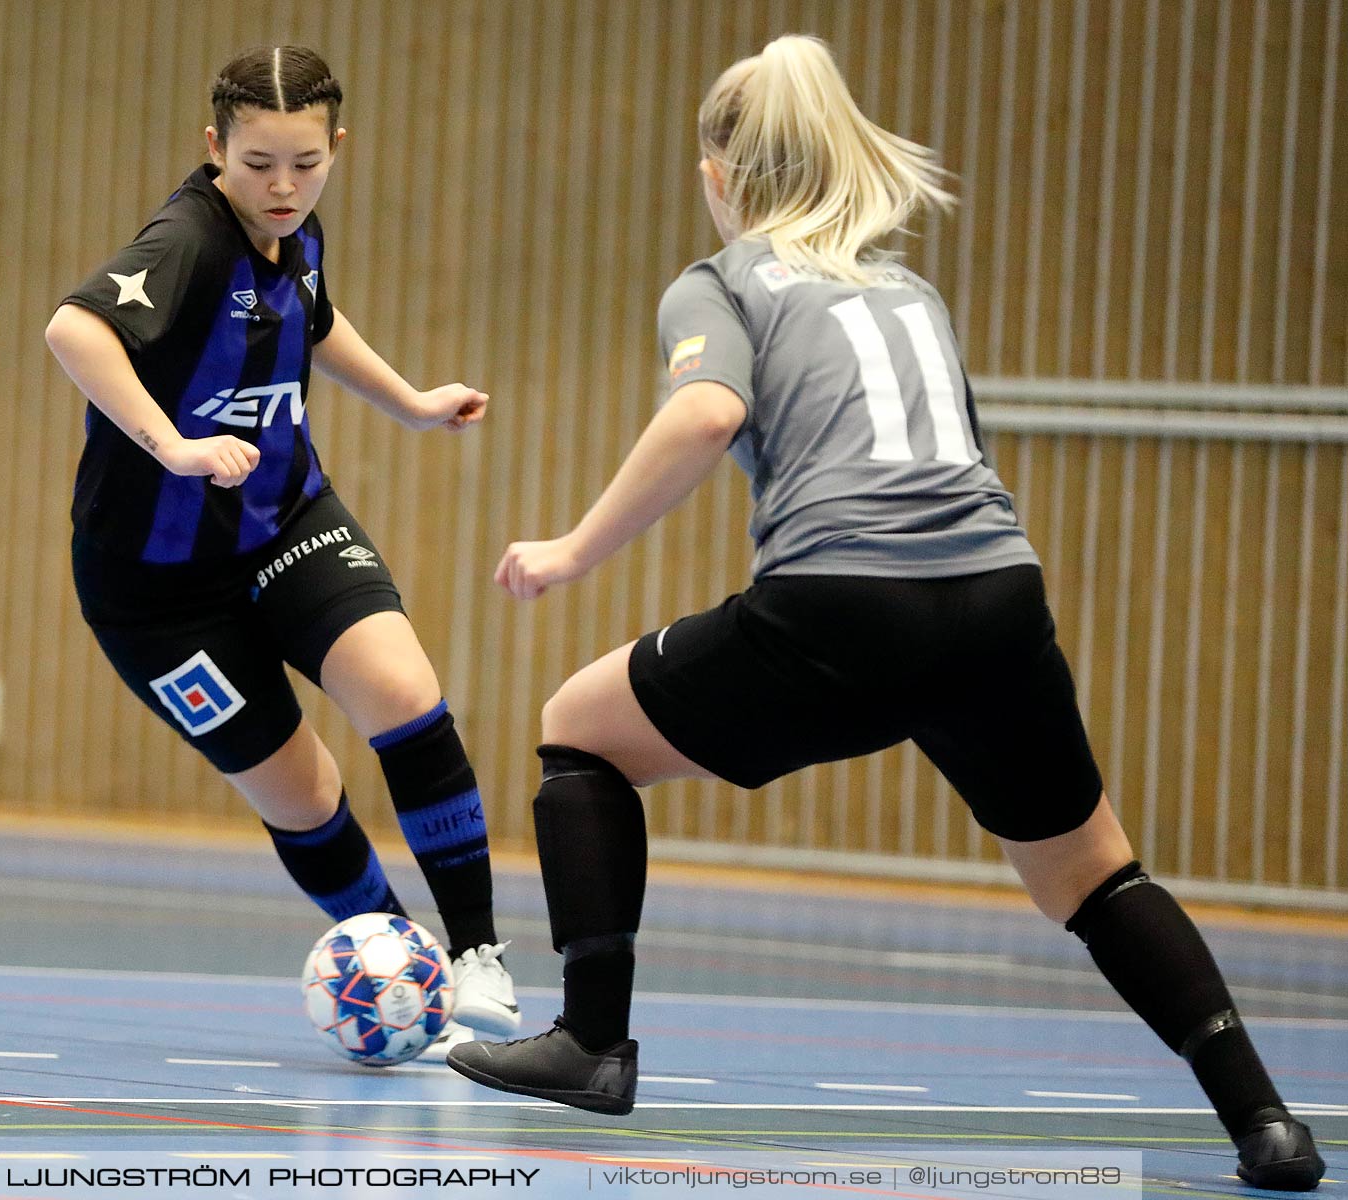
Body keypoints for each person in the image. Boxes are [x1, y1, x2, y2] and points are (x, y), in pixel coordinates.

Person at [446, 35, 1324, 1191]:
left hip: (841, 606)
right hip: (998, 601)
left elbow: (705, 417)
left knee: (578, 726)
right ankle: (1265, 1121)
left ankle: (594, 1042)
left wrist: (570, 548)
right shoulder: (912, 289)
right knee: (1094, 874)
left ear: (720, 177)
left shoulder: (720, 282)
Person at [43, 45, 518, 1053]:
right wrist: (170, 443)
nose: (283, 186)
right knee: (302, 791)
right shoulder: (189, 238)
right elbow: (73, 330)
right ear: (213, 146)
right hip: (155, 592)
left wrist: (410, 403)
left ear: (335, 147)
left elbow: (313, 318)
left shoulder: (292, 230)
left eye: (305, 162)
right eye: (258, 163)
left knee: (401, 690)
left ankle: (477, 953)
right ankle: (397, 966)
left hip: (282, 521)